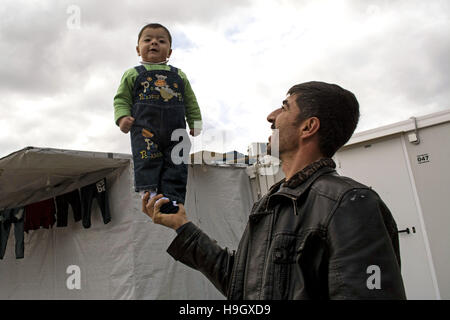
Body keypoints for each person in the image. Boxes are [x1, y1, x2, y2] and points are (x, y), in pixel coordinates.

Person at [142, 81, 407, 299]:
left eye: (284, 107)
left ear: (308, 127)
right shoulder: (270, 204)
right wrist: (182, 226)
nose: (271, 117)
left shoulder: (350, 203)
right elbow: (242, 284)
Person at [114, 23, 202, 213]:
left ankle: (174, 200)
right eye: (148, 39)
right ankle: (151, 194)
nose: (154, 43)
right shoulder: (132, 74)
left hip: (176, 130)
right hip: (146, 130)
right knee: (147, 159)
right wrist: (122, 118)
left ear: (169, 51)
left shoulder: (179, 75)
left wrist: (196, 123)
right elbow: (121, 99)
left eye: (161, 41)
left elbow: (190, 101)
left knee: (177, 162)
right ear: (138, 49)